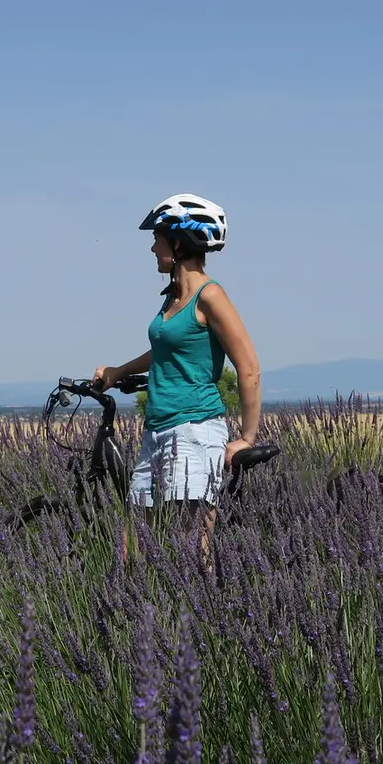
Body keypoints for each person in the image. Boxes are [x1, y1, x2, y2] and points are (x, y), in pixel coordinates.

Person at [93, 194, 262, 565]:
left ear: (180, 243)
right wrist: (118, 372)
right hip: (156, 432)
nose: (153, 247)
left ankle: (199, 621)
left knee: (188, 553)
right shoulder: (172, 300)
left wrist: (246, 438)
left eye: (158, 239)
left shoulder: (210, 296)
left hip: (194, 433)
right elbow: (166, 351)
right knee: (131, 551)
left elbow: (248, 367)